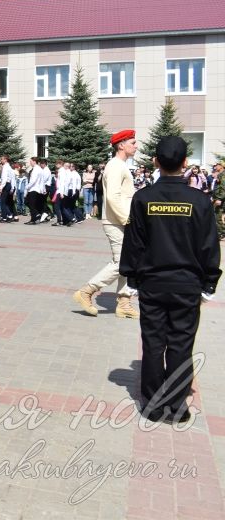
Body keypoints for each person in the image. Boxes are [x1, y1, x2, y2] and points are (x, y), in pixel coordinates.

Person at [119, 136, 221, 423]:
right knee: (180, 344)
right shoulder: (199, 200)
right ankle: (176, 407)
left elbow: (134, 243)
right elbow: (208, 245)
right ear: (186, 163)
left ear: (155, 162)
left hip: (152, 283)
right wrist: (210, 282)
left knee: (153, 342)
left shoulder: (144, 198)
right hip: (187, 284)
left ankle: (152, 405)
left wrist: (131, 277)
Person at [72, 130, 140, 318]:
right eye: (133, 143)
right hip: (116, 221)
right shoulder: (116, 166)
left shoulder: (120, 165)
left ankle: (124, 302)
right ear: (121, 145)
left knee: (130, 262)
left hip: (120, 220)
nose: (136, 146)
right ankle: (86, 291)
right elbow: (113, 197)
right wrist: (127, 219)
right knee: (121, 263)